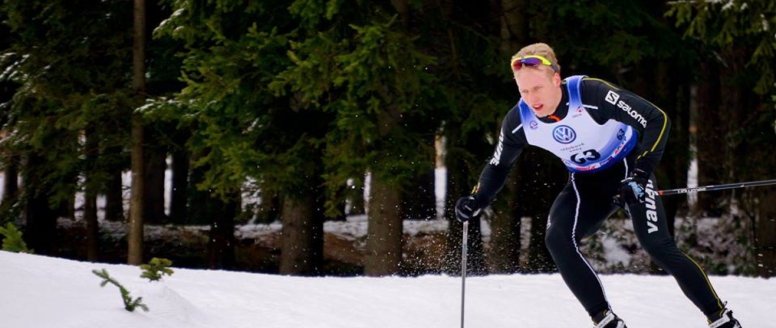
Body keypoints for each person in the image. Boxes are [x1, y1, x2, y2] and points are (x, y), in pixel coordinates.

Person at [454, 43, 743, 328]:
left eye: (537, 88)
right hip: (586, 182)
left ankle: (721, 319)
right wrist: (477, 199)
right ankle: (605, 321)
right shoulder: (519, 120)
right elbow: (498, 165)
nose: (532, 99)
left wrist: (639, 177)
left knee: (657, 246)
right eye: (524, 91)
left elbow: (657, 119)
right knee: (557, 239)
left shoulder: (590, 94)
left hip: (629, 168)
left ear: (556, 79)